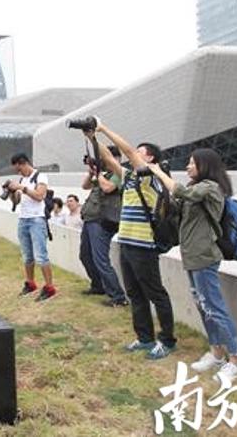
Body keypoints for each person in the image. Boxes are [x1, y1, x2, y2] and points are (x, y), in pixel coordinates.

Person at [148, 148, 237, 382]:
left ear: (205, 166)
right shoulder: (195, 189)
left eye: (192, 163)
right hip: (192, 255)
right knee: (204, 307)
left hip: (204, 256)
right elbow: (178, 204)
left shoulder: (211, 187)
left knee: (214, 307)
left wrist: (158, 172)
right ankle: (217, 353)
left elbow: (182, 191)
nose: (188, 167)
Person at [91, 122, 177, 360]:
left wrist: (103, 128)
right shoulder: (129, 177)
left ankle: (167, 340)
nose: (134, 153)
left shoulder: (150, 178)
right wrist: (91, 137)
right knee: (134, 293)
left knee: (155, 292)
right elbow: (109, 158)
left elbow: (126, 151)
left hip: (143, 246)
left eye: (140, 151)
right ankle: (145, 337)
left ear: (149, 158)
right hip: (126, 241)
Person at [79, 145, 129, 306]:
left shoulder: (118, 174)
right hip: (90, 219)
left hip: (102, 221)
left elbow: (108, 188)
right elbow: (85, 186)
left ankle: (118, 296)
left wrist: (98, 173)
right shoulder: (104, 174)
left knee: (100, 259)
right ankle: (98, 285)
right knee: (85, 256)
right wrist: (92, 171)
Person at [5, 153, 57, 301]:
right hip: (23, 219)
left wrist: (22, 187)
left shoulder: (40, 176)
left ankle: (49, 287)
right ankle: (30, 283)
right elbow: (17, 201)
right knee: (27, 256)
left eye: (18, 169)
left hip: (36, 220)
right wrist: (11, 192)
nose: (18, 173)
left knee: (41, 256)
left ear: (23, 163)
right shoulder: (23, 179)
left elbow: (40, 195)